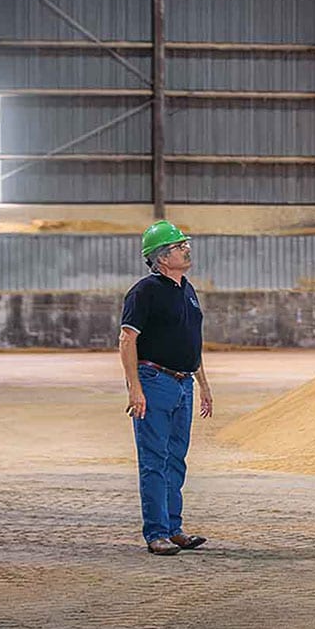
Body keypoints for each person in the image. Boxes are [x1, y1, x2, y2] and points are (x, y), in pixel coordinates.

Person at [118, 220, 214, 555]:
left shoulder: (187, 289)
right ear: (161, 258)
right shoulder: (145, 292)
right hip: (154, 382)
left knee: (176, 459)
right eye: (178, 246)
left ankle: (174, 528)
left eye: (185, 244)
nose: (186, 249)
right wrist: (135, 389)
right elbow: (127, 339)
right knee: (154, 459)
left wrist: (202, 383)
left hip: (183, 383)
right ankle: (156, 532)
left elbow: (191, 341)